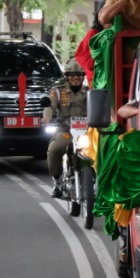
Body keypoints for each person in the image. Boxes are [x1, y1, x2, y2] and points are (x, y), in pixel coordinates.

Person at [44, 60, 88, 198]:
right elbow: (49, 106)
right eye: (72, 75)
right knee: (55, 149)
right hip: (65, 130)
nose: (76, 78)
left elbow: (100, 106)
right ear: (67, 76)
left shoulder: (90, 90)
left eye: (79, 75)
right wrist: (46, 118)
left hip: (87, 131)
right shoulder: (58, 91)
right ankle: (57, 182)